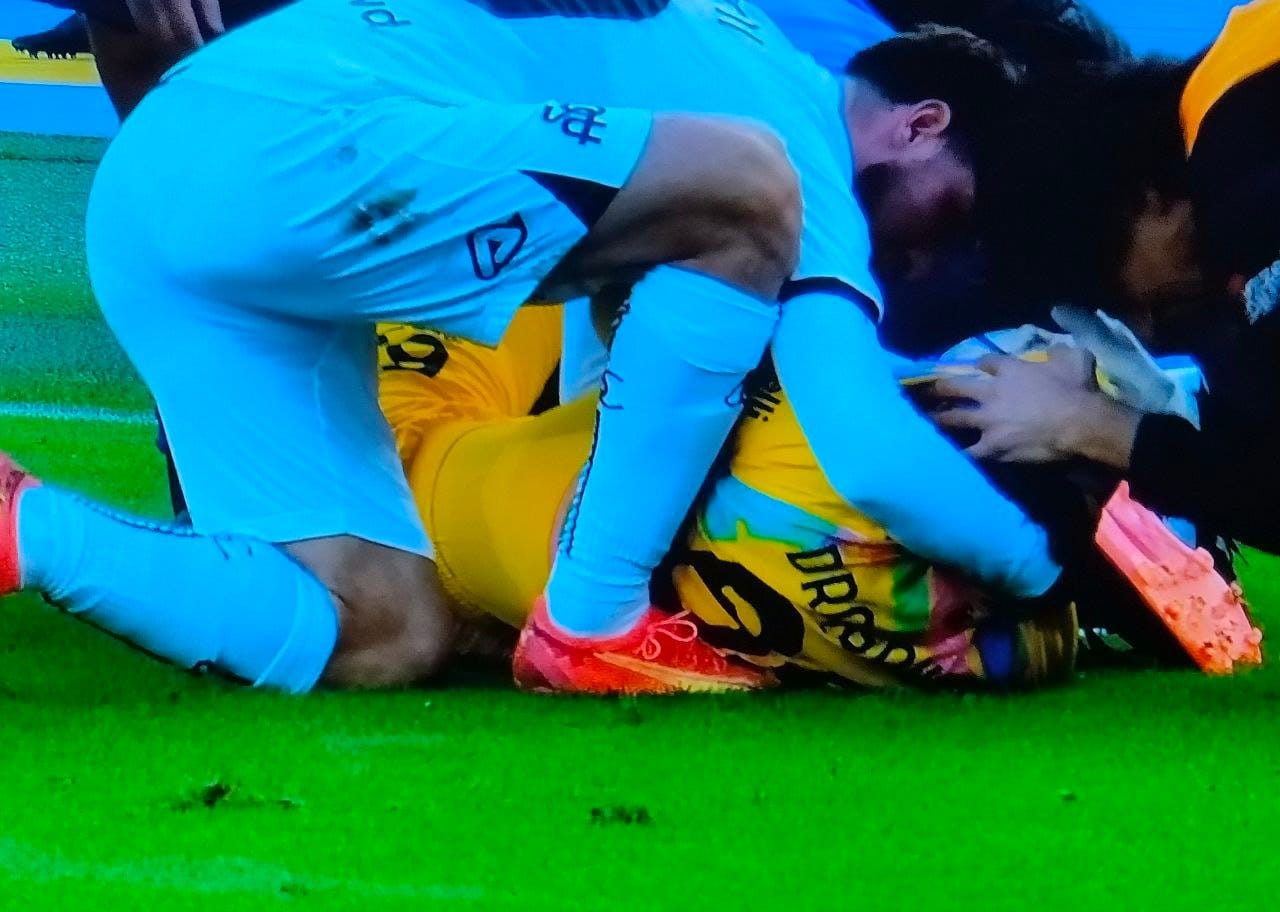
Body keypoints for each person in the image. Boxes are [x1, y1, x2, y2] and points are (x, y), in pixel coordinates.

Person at [0, 9, 1062, 696]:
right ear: (921, 124)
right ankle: (594, 618)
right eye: (956, 216)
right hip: (276, 152)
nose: (927, 258)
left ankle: (26, 527)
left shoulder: (714, 51)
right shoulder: (796, 135)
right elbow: (863, 449)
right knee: (750, 184)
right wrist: (1049, 565)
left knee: (383, 630)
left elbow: (626, 360)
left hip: (174, 201)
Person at [924, 0, 1280, 553]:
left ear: (1143, 203)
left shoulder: (1247, 188)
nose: (1143, 328)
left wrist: (1090, 425)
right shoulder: (1237, 69)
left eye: (1110, 293)